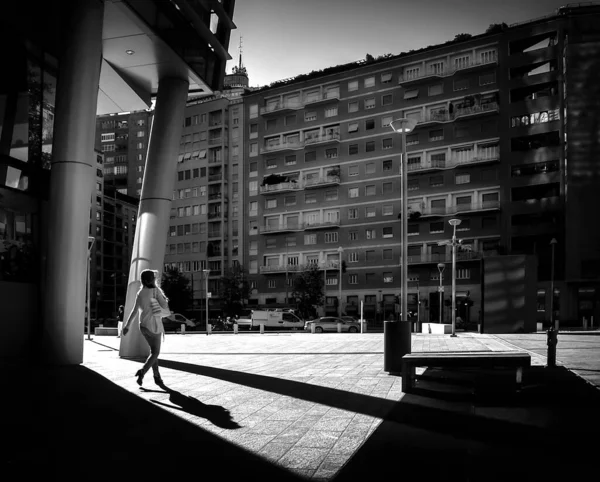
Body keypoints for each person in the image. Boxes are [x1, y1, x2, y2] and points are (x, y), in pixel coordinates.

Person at [122, 269, 169, 387]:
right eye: (154, 277)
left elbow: (134, 311)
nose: (155, 279)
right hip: (154, 326)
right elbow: (165, 306)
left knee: (153, 352)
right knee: (155, 352)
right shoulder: (155, 291)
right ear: (151, 280)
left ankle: (157, 376)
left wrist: (127, 325)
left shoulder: (140, 293)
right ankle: (142, 372)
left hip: (143, 326)